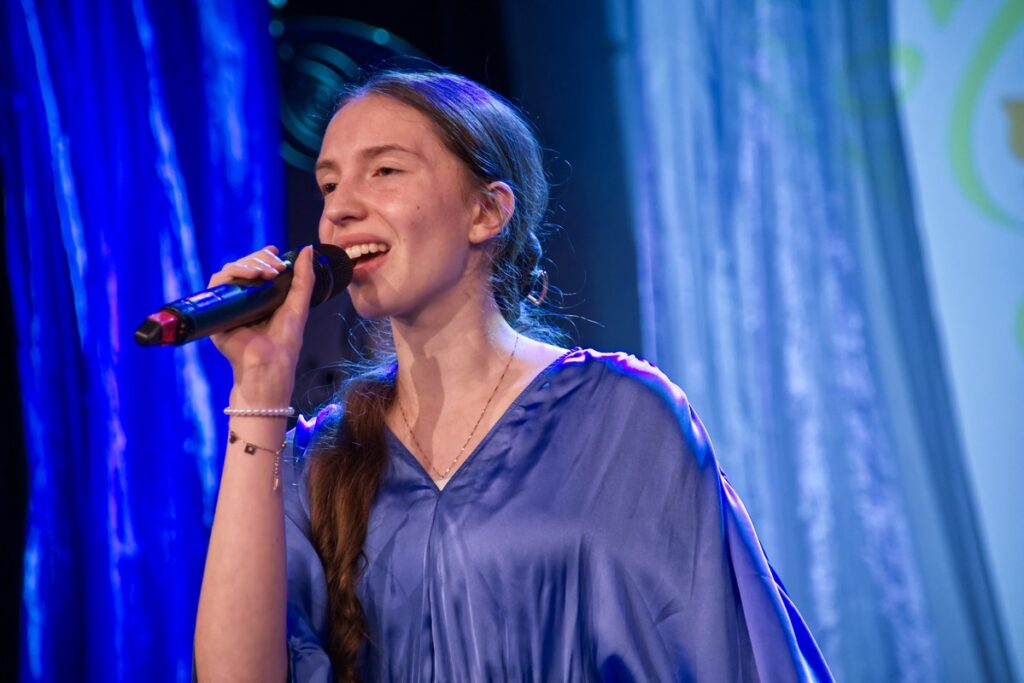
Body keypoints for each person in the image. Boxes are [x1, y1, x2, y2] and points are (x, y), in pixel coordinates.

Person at [193, 69, 833, 682]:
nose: (339, 210)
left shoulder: (620, 417)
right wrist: (258, 385)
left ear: (487, 211)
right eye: (330, 184)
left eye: (384, 171)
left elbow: (722, 650)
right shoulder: (319, 458)